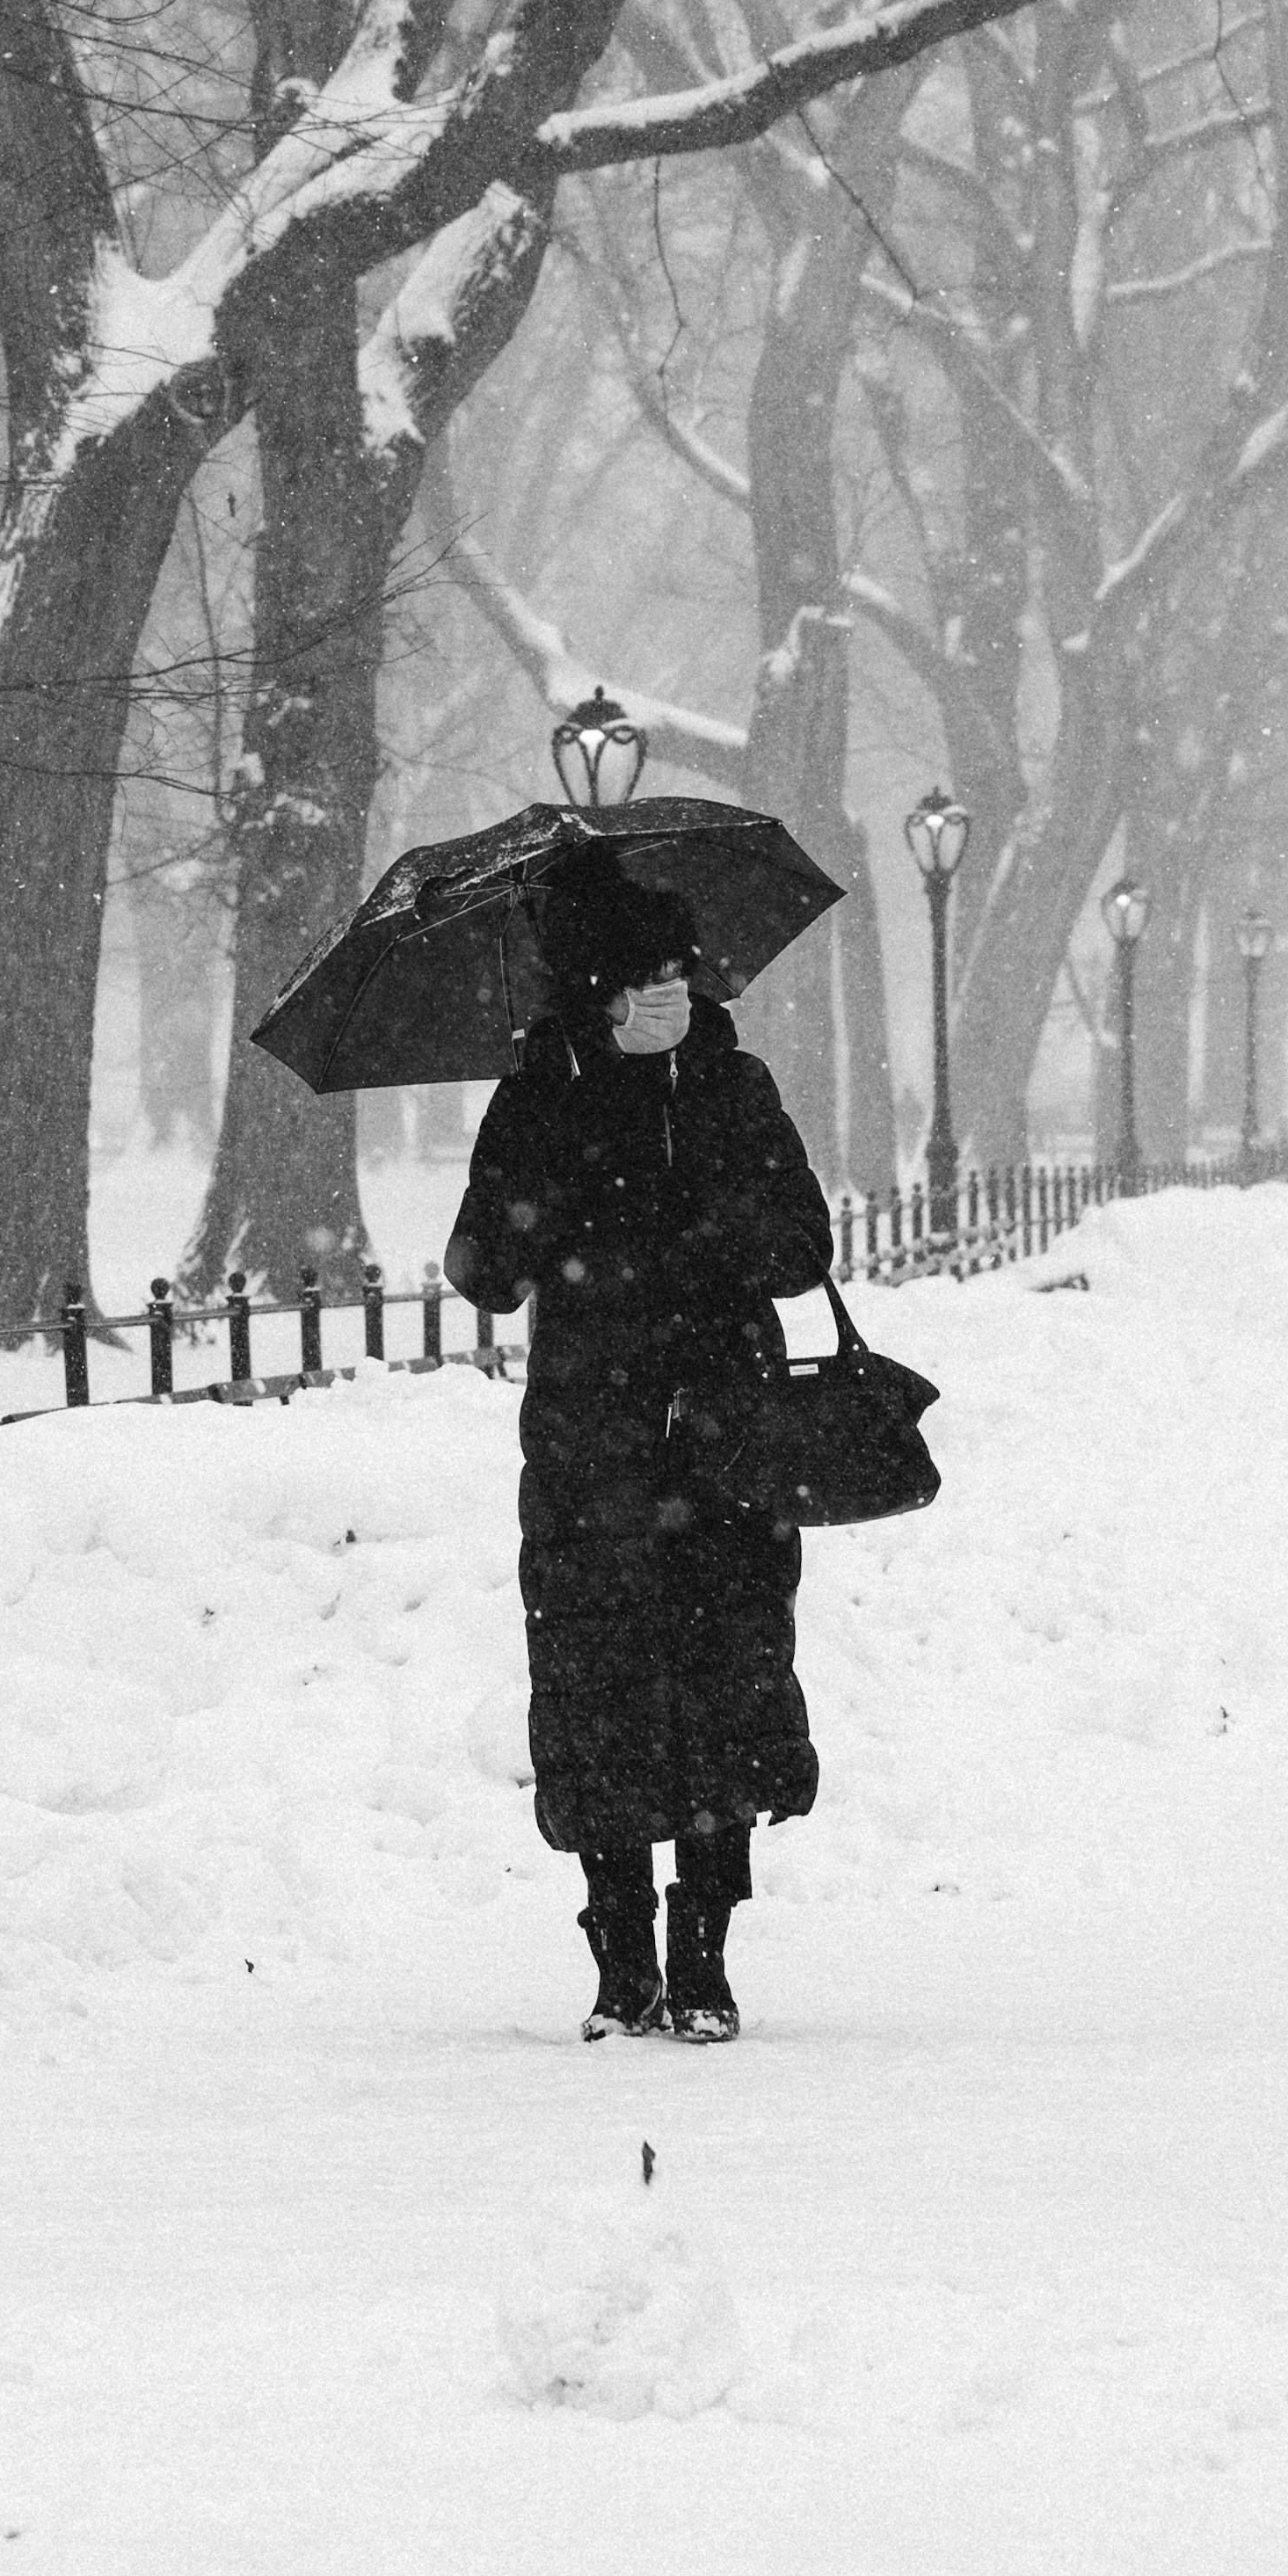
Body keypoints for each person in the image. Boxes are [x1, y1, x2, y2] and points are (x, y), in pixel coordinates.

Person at [444, 840, 835, 2042]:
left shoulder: (735, 1086)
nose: (666, 991)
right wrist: (577, 1123)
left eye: (678, 968)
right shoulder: (539, 1095)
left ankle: (705, 1950)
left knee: (727, 1680)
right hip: (591, 1445)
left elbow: (800, 1253)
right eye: (638, 976)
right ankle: (620, 1958)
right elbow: (486, 1274)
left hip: (725, 1438)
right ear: (593, 991)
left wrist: (701, 1149)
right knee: (600, 1689)